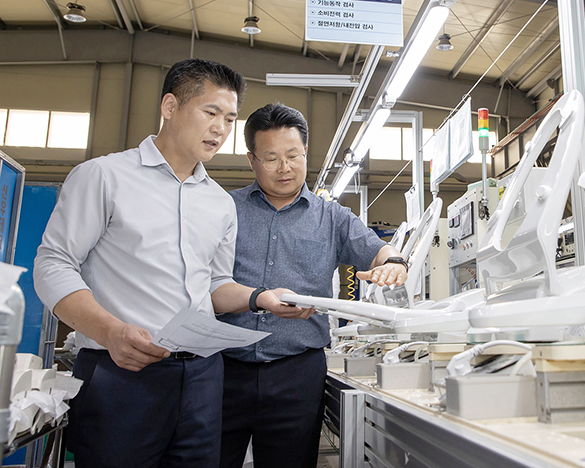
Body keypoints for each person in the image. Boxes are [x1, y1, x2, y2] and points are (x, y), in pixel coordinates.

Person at [33, 59, 313, 468]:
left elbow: (215, 286)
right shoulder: (104, 177)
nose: (220, 128)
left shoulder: (219, 203)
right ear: (169, 106)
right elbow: (53, 265)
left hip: (202, 380)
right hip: (120, 374)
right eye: (210, 112)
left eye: (230, 118)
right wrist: (110, 332)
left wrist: (260, 298)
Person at [218, 103, 408, 468]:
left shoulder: (331, 217)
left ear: (305, 152)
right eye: (271, 158)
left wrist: (394, 263)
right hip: (225, 368)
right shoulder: (226, 209)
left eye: (293, 155)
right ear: (252, 160)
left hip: (296, 373)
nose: (284, 168)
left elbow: (377, 249)